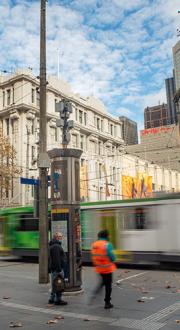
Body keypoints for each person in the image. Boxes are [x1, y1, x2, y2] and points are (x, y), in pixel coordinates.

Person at [91, 230, 116, 309]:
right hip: (107, 268)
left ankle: (95, 293)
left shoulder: (94, 244)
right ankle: (107, 302)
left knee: (103, 282)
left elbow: (93, 256)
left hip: (99, 268)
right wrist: (113, 259)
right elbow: (112, 257)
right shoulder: (107, 244)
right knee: (108, 285)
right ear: (106, 236)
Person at [48, 232, 68, 305]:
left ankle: (52, 298)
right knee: (59, 284)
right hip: (57, 269)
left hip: (54, 269)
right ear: (56, 237)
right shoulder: (56, 246)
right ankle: (58, 300)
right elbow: (56, 259)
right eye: (59, 236)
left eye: (61, 236)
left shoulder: (54, 245)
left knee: (54, 284)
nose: (60, 238)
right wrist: (59, 269)